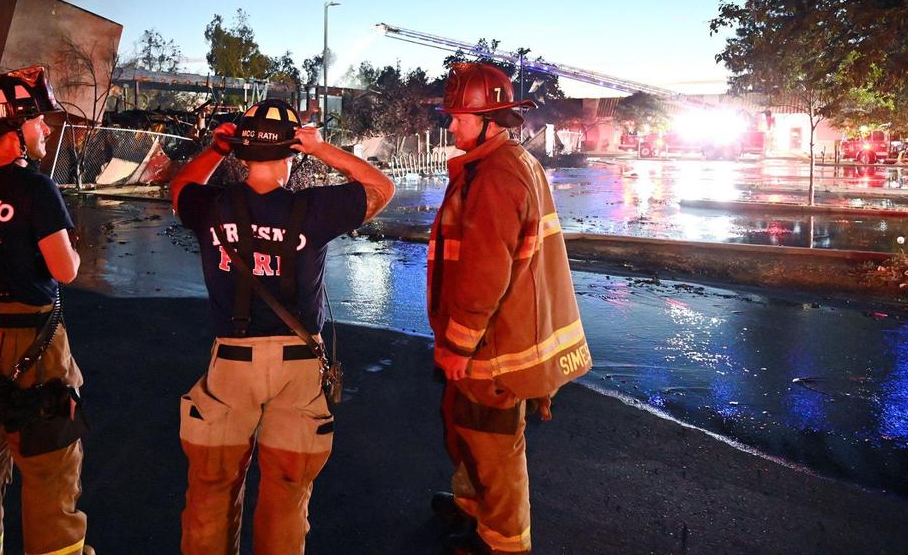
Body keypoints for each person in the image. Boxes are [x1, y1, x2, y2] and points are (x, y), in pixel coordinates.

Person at [171, 99, 394, 554]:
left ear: (243, 154)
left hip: (232, 365)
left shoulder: (211, 206)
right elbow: (380, 187)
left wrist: (216, 150)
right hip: (298, 367)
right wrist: (322, 148)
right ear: (290, 156)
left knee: (212, 491)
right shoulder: (314, 209)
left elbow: (180, 187)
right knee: (287, 493)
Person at [427, 63, 592, 555]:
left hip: (492, 348)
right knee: (466, 430)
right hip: (492, 338)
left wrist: (457, 343)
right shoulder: (502, 162)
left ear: (489, 119)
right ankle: (472, 509)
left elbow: (484, 273)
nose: (450, 125)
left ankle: (502, 542)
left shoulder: (497, 175)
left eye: (458, 117)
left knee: (493, 446)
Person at [0, 66, 92, 555]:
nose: (45, 129)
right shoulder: (36, 190)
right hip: (34, 346)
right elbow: (64, 270)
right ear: (17, 128)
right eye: (39, 121)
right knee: (50, 464)